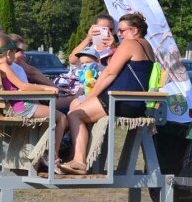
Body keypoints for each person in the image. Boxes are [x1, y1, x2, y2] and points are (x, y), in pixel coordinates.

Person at [62, 12, 155, 175]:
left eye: (122, 31)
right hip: (135, 102)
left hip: (120, 100)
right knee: (76, 106)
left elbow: (109, 73)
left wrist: (91, 96)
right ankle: (72, 156)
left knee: (76, 113)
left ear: (134, 30)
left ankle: (78, 160)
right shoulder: (147, 46)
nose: (119, 34)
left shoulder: (130, 44)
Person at [0, 34, 67, 173]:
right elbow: (23, 86)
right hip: (21, 107)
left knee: (54, 116)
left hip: (17, 105)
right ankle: (52, 157)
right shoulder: (5, 66)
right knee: (61, 118)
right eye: (15, 53)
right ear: (8, 53)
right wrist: (46, 87)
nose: (16, 58)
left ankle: (45, 151)